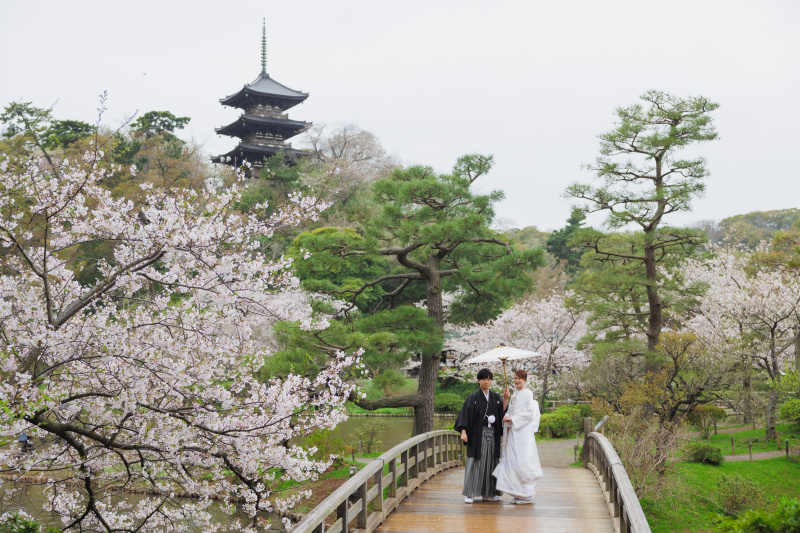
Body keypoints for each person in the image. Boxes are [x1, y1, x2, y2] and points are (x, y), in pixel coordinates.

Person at [455, 368, 508, 503]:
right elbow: (465, 415)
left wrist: (506, 399)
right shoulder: (472, 397)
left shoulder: (496, 397)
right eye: (484, 379)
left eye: (489, 379)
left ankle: (489, 493)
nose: (487, 381)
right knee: (475, 463)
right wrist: (463, 432)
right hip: (478, 435)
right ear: (479, 380)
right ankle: (470, 493)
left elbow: (503, 413)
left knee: (491, 463)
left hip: (493, 435)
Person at [492, 369, 543, 504]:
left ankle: (527, 494)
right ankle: (519, 493)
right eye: (515, 378)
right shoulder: (515, 395)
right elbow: (510, 411)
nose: (517, 380)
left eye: (520, 378)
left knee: (523, 461)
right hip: (514, 432)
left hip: (523, 433)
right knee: (514, 461)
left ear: (525, 380)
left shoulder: (528, 394)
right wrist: (507, 417)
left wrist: (513, 419)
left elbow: (530, 413)